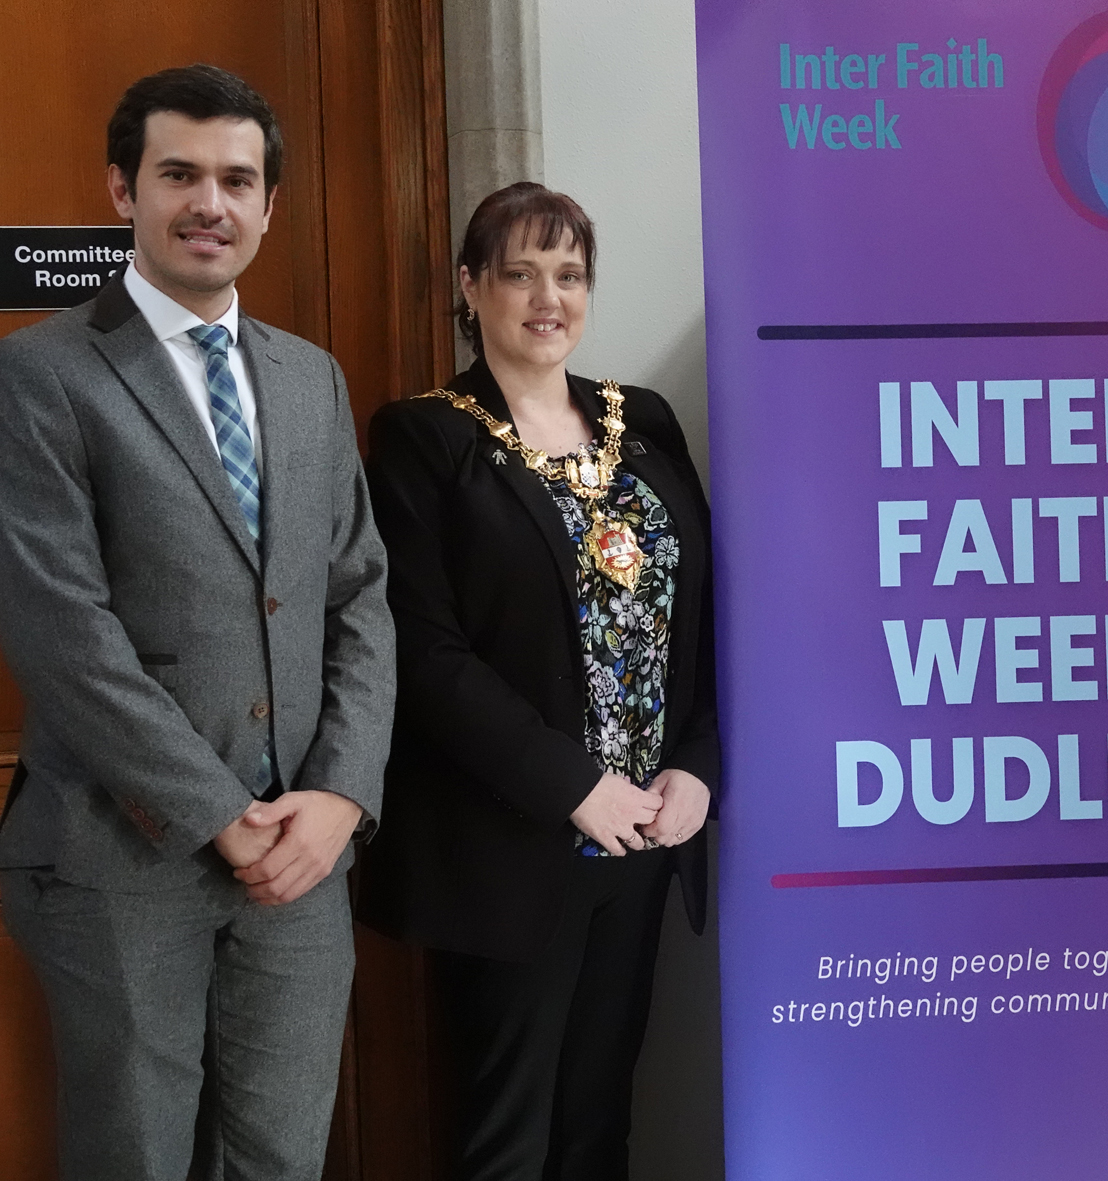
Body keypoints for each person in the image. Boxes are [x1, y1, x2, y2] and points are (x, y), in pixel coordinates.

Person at [0, 65, 395, 1180]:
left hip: (303, 864)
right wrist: (221, 813)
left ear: (270, 205)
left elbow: (359, 594)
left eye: (237, 179)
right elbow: (61, 632)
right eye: (179, 173)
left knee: (278, 1156)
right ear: (122, 187)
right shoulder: (38, 375)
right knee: (136, 1157)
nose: (209, 203)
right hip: (118, 857)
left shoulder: (309, 377)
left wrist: (341, 794)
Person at [357, 181, 719, 1179]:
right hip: (511, 843)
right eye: (518, 272)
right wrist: (574, 785)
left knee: (600, 1123)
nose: (545, 295)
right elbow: (424, 653)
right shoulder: (423, 436)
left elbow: (702, 615)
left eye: (567, 273)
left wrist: (697, 764)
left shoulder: (641, 421)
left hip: (646, 831)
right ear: (471, 287)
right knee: (506, 1139)